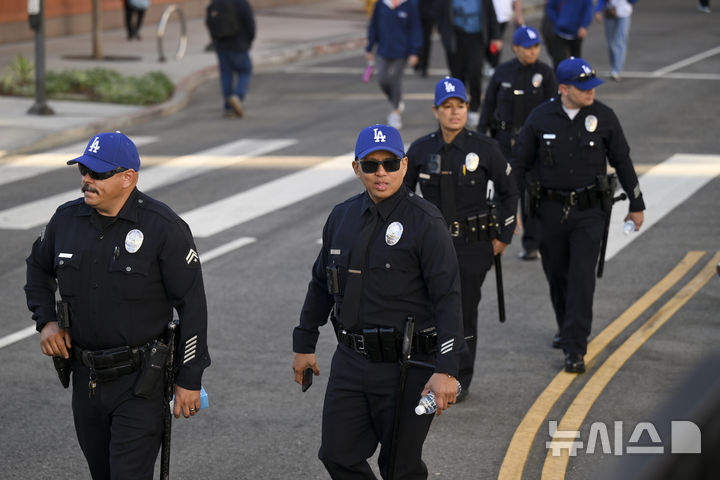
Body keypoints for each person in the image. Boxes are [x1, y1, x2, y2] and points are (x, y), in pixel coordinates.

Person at [24, 132, 211, 479]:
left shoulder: (163, 227)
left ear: (128, 178)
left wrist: (190, 378)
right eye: (83, 170)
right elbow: (37, 267)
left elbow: (193, 307)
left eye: (98, 173)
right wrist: (46, 320)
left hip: (140, 383)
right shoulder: (66, 220)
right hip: (86, 378)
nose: (86, 180)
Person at [292, 124, 463, 478]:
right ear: (357, 168)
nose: (380, 172)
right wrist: (304, 343)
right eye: (370, 165)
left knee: (400, 468)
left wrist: (446, 370)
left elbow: (448, 299)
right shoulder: (341, 217)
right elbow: (322, 283)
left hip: (409, 366)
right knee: (337, 454)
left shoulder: (426, 222)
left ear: (404, 164)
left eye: (389, 163)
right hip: (351, 361)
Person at [510, 57, 645, 373]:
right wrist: (509, 210)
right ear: (564, 89)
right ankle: (566, 327)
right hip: (548, 211)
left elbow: (623, 162)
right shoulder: (540, 118)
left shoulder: (604, 117)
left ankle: (575, 347)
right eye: (583, 88)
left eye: (592, 86)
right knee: (557, 276)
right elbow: (519, 165)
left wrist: (637, 205)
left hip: (589, 212)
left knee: (582, 279)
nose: (591, 93)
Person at [405, 77, 519, 398]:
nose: (455, 113)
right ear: (436, 111)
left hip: (473, 246)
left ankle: (459, 377)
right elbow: (403, 197)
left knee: (463, 310)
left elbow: (510, 191)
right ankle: (428, 370)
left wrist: (504, 235)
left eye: (461, 106)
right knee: (426, 309)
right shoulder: (421, 149)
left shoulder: (485, 148)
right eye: (447, 107)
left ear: (468, 109)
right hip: (431, 248)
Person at [479, 25, 556, 261]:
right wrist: (481, 136)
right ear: (515, 48)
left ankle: (531, 244)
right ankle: (492, 242)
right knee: (500, 193)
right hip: (503, 142)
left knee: (531, 194)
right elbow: (488, 105)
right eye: (527, 47)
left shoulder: (545, 73)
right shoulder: (502, 72)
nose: (532, 51)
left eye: (536, 47)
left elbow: (553, 110)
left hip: (532, 144)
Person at [434, 0, 503, 129]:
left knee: (475, 73)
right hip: (456, 39)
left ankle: (474, 108)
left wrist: (496, 36)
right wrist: (444, 34)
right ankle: (458, 107)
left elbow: (490, 14)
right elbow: (439, 13)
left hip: (476, 38)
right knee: (457, 76)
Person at [365, 0, 423, 129]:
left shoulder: (410, 5)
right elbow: (373, 26)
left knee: (396, 79)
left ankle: (395, 111)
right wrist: (369, 48)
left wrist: (414, 52)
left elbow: (415, 29)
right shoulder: (381, 4)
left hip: (402, 51)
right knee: (382, 79)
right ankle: (395, 100)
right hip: (383, 50)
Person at [206, 0, 256, 118]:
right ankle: (237, 96)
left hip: (221, 45)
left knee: (226, 74)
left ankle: (228, 107)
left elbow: (209, 22)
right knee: (245, 70)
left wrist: (215, 40)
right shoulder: (241, 3)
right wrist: (248, 41)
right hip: (239, 44)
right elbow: (250, 24)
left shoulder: (215, 3)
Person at [594, 0, 637, 81]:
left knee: (620, 42)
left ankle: (616, 70)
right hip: (610, 12)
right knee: (610, 44)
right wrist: (598, 10)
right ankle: (614, 66)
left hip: (624, 13)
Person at [545, 0, 594, 69]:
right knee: (559, 60)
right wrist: (558, 21)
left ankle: (576, 78)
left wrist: (584, 26)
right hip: (560, 32)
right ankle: (557, 78)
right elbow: (550, 7)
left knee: (576, 61)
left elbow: (588, 9)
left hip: (577, 33)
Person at [484, 0, 525, 75]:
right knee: (488, 40)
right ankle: (491, 63)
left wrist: (518, 15)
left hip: (502, 15)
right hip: (488, 14)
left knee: (495, 40)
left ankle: (494, 65)